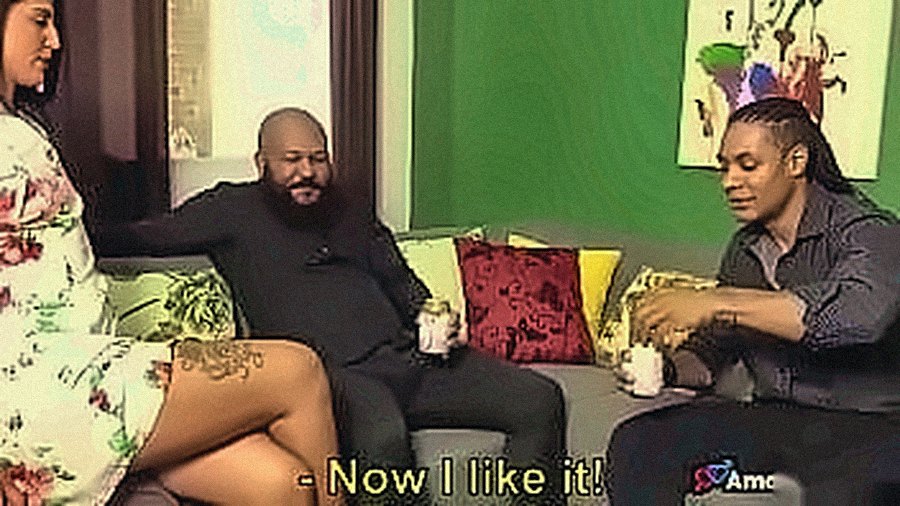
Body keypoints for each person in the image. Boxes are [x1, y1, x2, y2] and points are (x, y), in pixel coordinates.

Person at [99, 107, 569, 505]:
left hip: (410, 359)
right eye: (292, 160)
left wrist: (433, 313)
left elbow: (399, 279)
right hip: (334, 377)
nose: (306, 172)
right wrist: (67, 229)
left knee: (538, 399)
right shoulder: (229, 210)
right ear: (262, 163)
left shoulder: (349, 207)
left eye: (317, 158)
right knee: (382, 439)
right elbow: (141, 237)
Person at [0, 2, 341, 505]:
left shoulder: (22, 128)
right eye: (39, 19)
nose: (54, 41)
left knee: (282, 484)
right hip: (47, 390)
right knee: (299, 370)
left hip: (94, 371)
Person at [606, 97, 900, 504]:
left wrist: (718, 301)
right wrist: (666, 369)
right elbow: (714, 353)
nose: (729, 181)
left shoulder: (871, 232)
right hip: (779, 418)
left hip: (873, 424)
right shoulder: (744, 250)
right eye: (724, 167)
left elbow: (857, 316)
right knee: (639, 442)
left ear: (796, 162)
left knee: (835, 492)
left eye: (747, 165)